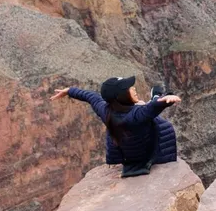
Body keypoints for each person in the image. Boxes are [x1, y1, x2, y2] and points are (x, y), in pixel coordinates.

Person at [51, 76, 182, 178]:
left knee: (143, 106)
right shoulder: (137, 115)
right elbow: (152, 108)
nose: (134, 89)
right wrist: (164, 100)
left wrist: (70, 91)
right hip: (149, 155)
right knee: (147, 109)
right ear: (122, 96)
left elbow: (91, 97)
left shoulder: (106, 110)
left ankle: (156, 97)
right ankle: (156, 96)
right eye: (130, 88)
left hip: (127, 156)